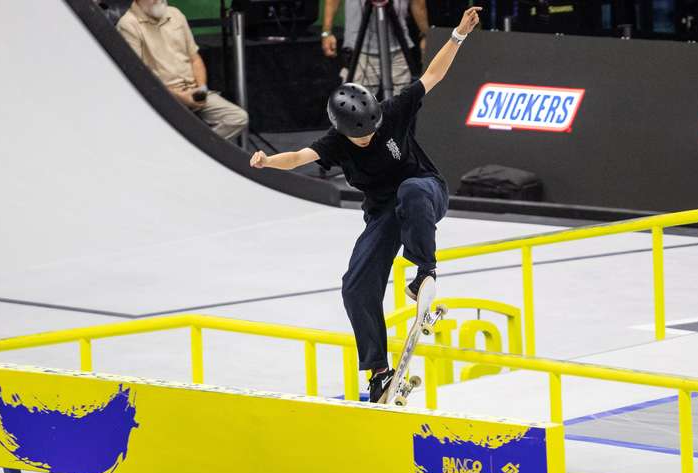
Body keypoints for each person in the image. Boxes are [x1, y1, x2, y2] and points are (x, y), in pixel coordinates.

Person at [250, 7, 481, 403]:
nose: (367, 139)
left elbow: (433, 75)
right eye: (359, 138)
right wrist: (268, 161)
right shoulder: (335, 142)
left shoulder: (391, 111)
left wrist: (458, 35)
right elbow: (299, 157)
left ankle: (424, 273)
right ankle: (378, 373)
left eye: (372, 132)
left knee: (410, 191)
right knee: (355, 286)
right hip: (383, 214)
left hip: (426, 192)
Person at [117, 0, 248, 141]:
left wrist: (202, 89)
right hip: (163, 96)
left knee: (237, 118)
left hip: (194, 90)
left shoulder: (175, 14)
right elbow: (138, 77)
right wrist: (179, 96)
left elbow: (195, 59)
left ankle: (191, 148)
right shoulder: (128, 24)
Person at [320, 0, 430, 96]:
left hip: (399, 49)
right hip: (360, 50)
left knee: (402, 109)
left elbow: (418, 3)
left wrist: (426, 35)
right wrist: (326, 32)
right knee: (358, 109)